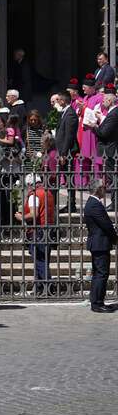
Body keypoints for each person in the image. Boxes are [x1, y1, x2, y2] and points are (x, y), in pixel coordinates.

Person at [15, 174, 55, 294]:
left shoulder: (34, 195)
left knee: (40, 260)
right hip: (49, 229)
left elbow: (34, 214)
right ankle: (39, 288)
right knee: (43, 259)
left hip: (38, 230)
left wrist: (21, 217)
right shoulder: (48, 192)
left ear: (29, 185)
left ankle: (48, 288)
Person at [84, 183, 118, 312]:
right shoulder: (94, 204)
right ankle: (97, 303)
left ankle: (97, 301)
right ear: (98, 190)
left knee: (99, 273)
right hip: (100, 244)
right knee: (101, 274)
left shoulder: (93, 203)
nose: (106, 189)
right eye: (103, 187)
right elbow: (106, 225)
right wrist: (115, 239)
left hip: (98, 243)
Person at [54, 91, 78, 158]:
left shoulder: (70, 114)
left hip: (66, 152)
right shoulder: (64, 112)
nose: (56, 101)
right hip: (60, 149)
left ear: (62, 101)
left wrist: (64, 153)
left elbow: (69, 135)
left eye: (57, 99)